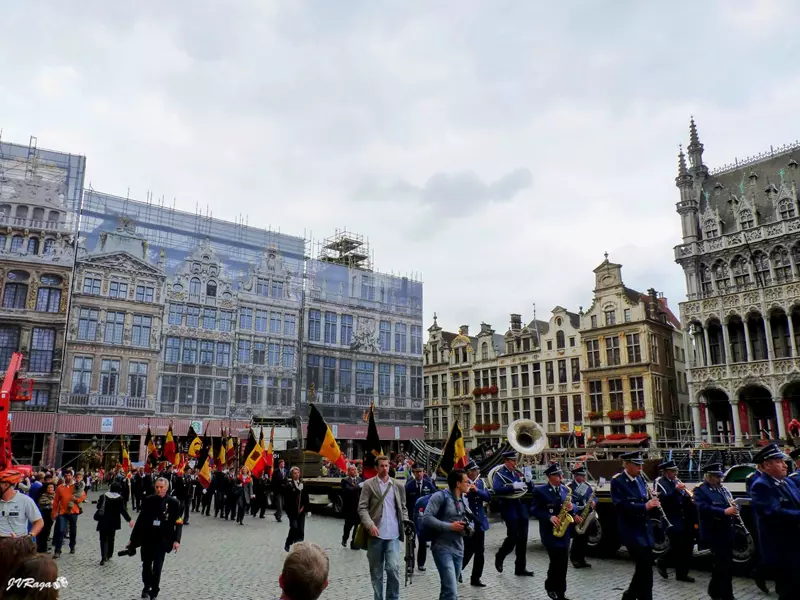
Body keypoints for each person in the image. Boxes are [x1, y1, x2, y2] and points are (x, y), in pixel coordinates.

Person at [749, 442, 800, 600]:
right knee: (788, 590)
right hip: (783, 548)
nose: (785, 465)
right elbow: (774, 513)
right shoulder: (761, 486)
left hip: (795, 545)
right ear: (766, 465)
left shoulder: (787, 482)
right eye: (779, 461)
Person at [358, 454, 409, 600]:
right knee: (377, 573)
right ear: (376, 468)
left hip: (393, 534)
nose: (385, 468)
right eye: (382, 466)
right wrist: (370, 525)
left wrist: (405, 521)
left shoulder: (397, 485)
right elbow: (362, 508)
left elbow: (403, 508)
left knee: (393, 569)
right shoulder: (368, 485)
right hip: (375, 535)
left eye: (387, 466)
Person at [610, 451, 658, 600]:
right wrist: (645, 506)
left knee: (646, 565)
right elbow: (621, 506)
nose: (640, 468)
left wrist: (653, 499)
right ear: (628, 464)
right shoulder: (618, 481)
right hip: (631, 530)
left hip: (644, 528)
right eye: (637, 465)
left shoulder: (640, 479)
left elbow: (643, 498)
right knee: (644, 564)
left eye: (641, 464)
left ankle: (630, 595)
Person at [127, 477, 182, 600]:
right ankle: (146, 586)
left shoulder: (174, 503)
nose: (158, 489)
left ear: (166, 488)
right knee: (146, 566)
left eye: (161, 487)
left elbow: (178, 522)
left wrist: (177, 540)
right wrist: (132, 540)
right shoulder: (148, 500)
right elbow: (140, 521)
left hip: (162, 540)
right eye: (157, 487)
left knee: (157, 567)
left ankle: (154, 591)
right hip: (147, 538)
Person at [422, 469, 471, 600]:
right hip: (442, 547)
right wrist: (450, 527)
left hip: (459, 548)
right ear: (457, 483)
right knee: (452, 592)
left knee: (447, 589)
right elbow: (426, 517)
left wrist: (468, 528)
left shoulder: (464, 500)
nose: (469, 484)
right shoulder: (440, 497)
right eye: (466, 481)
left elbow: (470, 520)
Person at [692, 463, 736, 600]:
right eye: (717, 477)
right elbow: (703, 508)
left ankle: (716, 590)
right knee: (722, 563)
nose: (719, 479)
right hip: (714, 531)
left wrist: (735, 506)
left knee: (726, 564)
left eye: (720, 476)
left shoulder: (722, 489)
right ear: (709, 477)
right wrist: (723, 511)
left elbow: (730, 502)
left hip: (726, 530)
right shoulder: (701, 490)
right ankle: (726, 594)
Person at [531, 463, 574, 600]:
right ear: (549, 477)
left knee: (564, 562)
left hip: (564, 531)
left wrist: (573, 508)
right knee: (556, 561)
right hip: (550, 532)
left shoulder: (565, 490)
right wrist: (549, 517)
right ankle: (550, 586)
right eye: (557, 475)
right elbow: (534, 510)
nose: (561, 477)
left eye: (561, 475)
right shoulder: (540, 491)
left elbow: (573, 508)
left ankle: (561, 592)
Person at [492, 450, 534, 577]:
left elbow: (530, 488)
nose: (515, 463)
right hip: (509, 508)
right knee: (513, 537)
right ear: (506, 461)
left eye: (515, 460)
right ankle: (500, 555)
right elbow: (497, 489)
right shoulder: (499, 474)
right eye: (512, 461)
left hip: (520, 508)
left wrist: (528, 480)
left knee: (523, 539)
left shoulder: (516, 473)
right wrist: (513, 486)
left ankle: (520, 568)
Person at [653, 460, 694, 583]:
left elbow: (682, 497)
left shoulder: (676, 481)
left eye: (676, 471)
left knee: (688, 545)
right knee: (678, 544)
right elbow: (662, 499)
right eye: (672, 471)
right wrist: (675, 490)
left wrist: (689, 497)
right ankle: (662, 561)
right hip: (670, 516)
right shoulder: (659, 482)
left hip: (681, 515)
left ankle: (682, 573)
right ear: (666, 472)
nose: (675, 474)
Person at [461, 461, 489, 587]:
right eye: (474, 470)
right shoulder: (463, 483)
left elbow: (488, 497)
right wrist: (467, 490)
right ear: (468, 472)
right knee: (468, 550)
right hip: (468, 522)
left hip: (479, 522)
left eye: (477, 469)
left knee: (480, 552)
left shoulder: (480, 483)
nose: (477, 472)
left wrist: (477, 490)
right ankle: (457, 571)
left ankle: (476, 578)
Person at [404, 466, 436, 571]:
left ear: (423, 472)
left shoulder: (428, 484)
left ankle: (421, 563)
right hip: (412, 517)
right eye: (417, 472)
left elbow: (435, 498)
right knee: (410, 542)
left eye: (421, 472)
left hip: (424, 518)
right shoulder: (409, 486)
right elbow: (404, 502)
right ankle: (410, 564)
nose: (419, 474)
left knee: (422, 542)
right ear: (413, 472)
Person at [95, 481, 134, 565]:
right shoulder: (120, 498)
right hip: (113, 522)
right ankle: (109, 554)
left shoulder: (103, 496)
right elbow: (123, 511)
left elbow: (98, 507)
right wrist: (129, 520)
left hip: (103, 521)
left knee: (103, 539)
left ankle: (103, 556)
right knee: (111, 538)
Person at [51, 469, 86, 558]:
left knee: (73, 530)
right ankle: (58, 551)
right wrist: (54, 512)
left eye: (69, 475)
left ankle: (72, 545)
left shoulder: (77, 485)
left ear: (72, 476)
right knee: (61, 530)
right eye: (66, 476)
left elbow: (83, 495)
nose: (67, 477)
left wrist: (77, 499)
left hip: (73, 511)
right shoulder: (60, 487)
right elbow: (56, 501)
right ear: (64, 477)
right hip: (62, 512)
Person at [0, 469, 44, 539]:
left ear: (6, 485)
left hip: (17, 543)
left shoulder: (25, 500)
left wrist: (30, 536)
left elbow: (39, 522)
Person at [567, 465, 595, 569]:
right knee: (577, 537)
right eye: (581, 476)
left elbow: (593, 496)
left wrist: (593, 502)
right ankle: (574, 558)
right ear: (575, 476)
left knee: (585, 537)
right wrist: (574, 515)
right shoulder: (569, 486)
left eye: (584, 475)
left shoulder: (587, 486)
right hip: (576, 513)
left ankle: (582, 559)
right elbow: (568, 503)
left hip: (586, 513)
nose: (584, 478)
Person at [283, 467, 309, 552]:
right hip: (292, 511)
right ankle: (288, 542)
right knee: (294, 527)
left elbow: (306, 498)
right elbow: (288, 499)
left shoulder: (302, 484)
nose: (297, 475)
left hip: (301, 511)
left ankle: (298, 547)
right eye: (295, 473)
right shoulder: (289, 485)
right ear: (292, 474)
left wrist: (308, 509)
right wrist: (298, 490)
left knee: (301, 530)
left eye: (298, 473)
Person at [341, 464, 364, 549]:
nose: (355, 471)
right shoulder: (345, 480)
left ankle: (354, 543)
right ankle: (344, 538)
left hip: (358, 508)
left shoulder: (359, 479)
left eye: (355, 470)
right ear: (348, 471)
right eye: (353, 470)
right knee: (348, 526)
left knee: (357, 527)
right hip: (349, 508)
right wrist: (359, 486)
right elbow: (349, 490)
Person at [36, 482, 56, 553]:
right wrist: (50, 502)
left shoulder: (55, 495)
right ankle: (42, 548)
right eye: (49, 487)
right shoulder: (43, 496)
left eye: (52, 487)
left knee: (47, 531)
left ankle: (44, 547)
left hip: (51, 515)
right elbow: (41, 503)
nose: (50, 489)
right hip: (45, 515)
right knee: (44, 532)